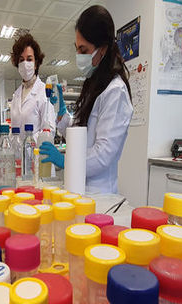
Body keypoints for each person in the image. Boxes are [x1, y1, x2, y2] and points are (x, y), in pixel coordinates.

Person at [39, 5, 133, 194]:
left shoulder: (115, 91)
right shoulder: (94, 85)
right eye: (77, 50)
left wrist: (67, 161)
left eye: (84, 50)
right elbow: (81, 136)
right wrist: (62, 116)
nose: (79, 57)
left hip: (100, 193)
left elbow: (103, 154)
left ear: (103, 49)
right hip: (79, 187)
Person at [10, 34, 56, 135]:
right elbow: (14, 129)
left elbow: (49, 130)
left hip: (36, 145)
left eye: (29, 59)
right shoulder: (16, 95)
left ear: (36, 64)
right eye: (21, 60)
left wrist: (29, 141)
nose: (25, 63)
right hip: (16, 145)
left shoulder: (44, 92)